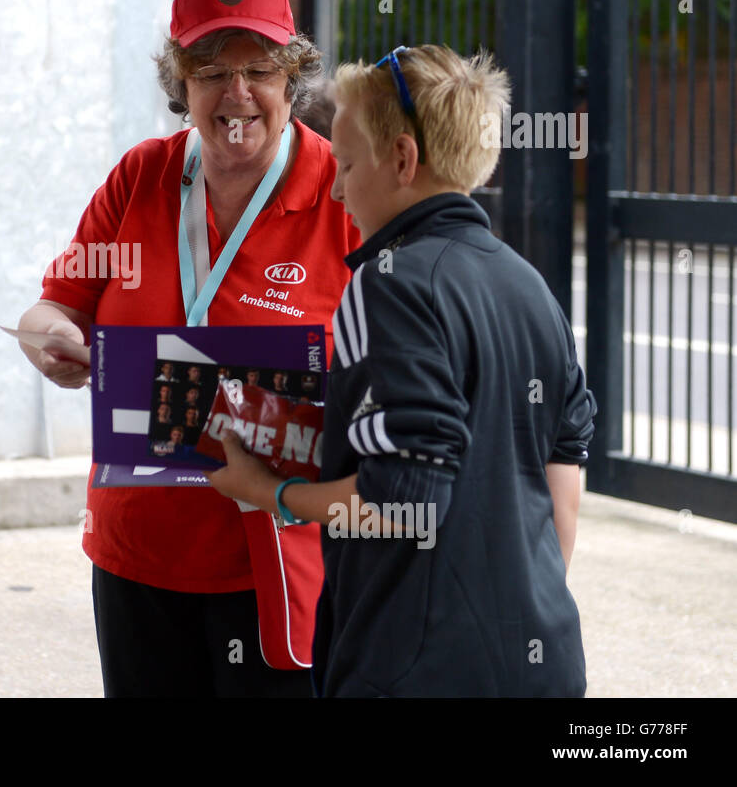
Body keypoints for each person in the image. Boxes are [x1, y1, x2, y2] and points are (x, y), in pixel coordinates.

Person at [18, 0, 361, 696]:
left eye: (259, 69)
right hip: (137, 552)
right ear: (181, 84)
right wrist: (50, 338)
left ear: (292, 76)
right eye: (210, 71)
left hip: (272, 558)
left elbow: (389, 378)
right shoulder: (139, 177)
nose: (237, 94)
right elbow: (57, 302)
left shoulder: (342, 193)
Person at [208, 44, 595, 696]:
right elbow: (562, 485)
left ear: (403, 161)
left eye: (348, 164)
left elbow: (404, 498)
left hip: (411, 665)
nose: (336, 188)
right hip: (544, 658)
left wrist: (269, 492)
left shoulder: (385, 282)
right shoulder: (532, 288)